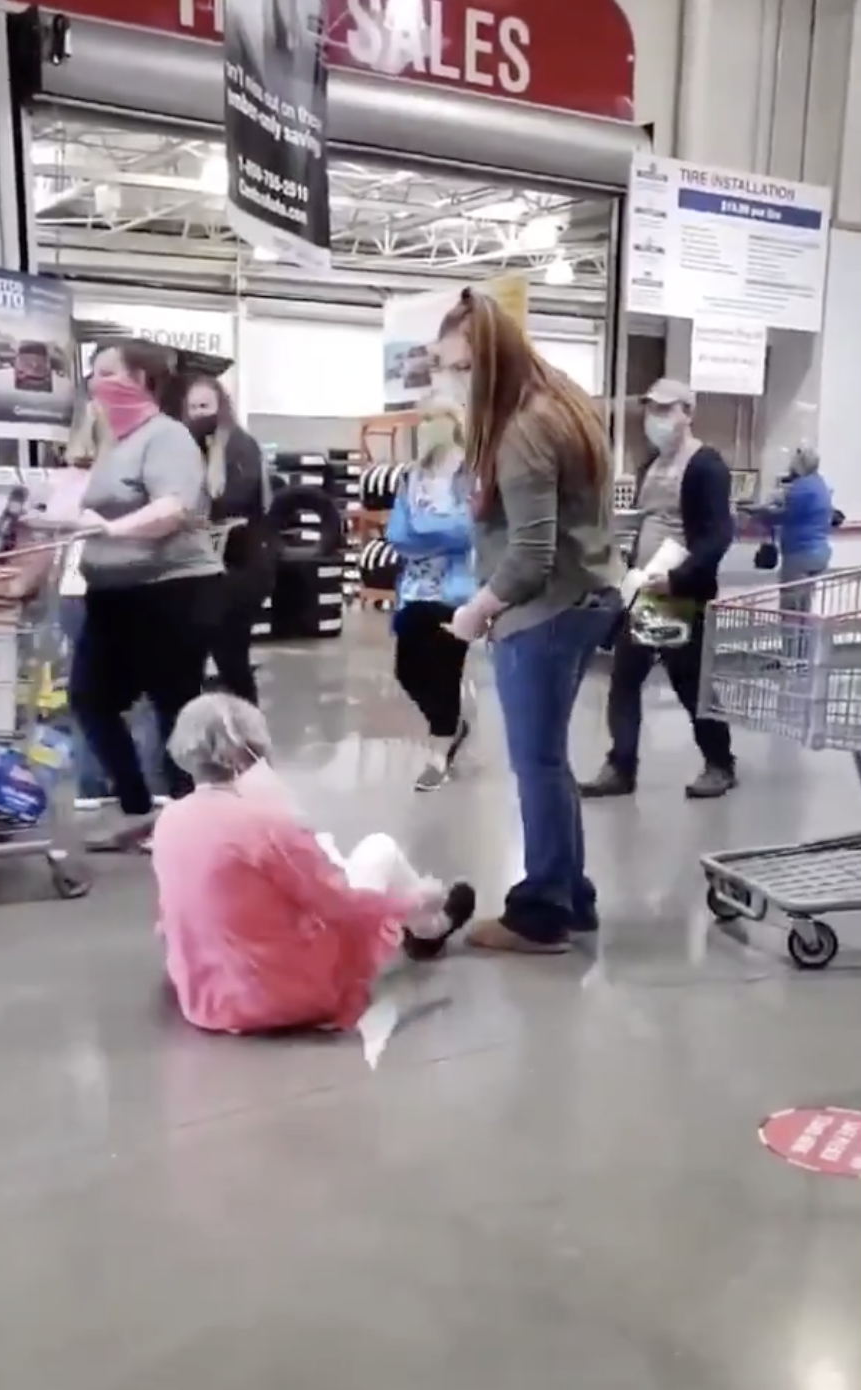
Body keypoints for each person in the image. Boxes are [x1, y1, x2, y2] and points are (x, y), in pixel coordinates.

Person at [430, 288, 623, 953]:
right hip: (589, 596)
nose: (449, 380)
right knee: (549, 763)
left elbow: (532, 556)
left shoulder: (521, 429)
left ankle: (540, 913)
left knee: (537, 764)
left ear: (490, 361)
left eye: (459, 367)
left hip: (544, 609)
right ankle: (573, 895)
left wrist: (475, 610)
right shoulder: (559, 397)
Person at [149, 694, 475, 1033]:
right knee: (379, 850)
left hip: (209, 998)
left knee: (314, 855)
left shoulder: (170, 820)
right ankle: (431, 925)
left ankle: (426, 927)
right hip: (280, 994)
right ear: (245, 750)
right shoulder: (267, 824)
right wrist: (414, 899)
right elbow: (338, 903)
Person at [72, 339, 226, 848]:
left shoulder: (168, 437)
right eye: (92, 373)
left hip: (170, 590)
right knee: (91, 699)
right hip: (113, 594)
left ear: (140, 380)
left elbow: (173, 509)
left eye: (107, 372)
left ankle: (187, 820)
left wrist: (113, 531)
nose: (95, 382)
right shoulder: (116, 442)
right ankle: (138, 808)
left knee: (172, 706)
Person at [581, 379, 737, 801]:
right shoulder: (652, 465)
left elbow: (717, 536)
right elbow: (647, 521)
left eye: (667, 410)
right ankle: (621, 766)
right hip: (645, 591)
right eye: (651, 409)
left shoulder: (706, 466)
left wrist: (680, 578)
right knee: (626, 678)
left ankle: (720, 763)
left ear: (688, 412)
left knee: (690, 683)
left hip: (680, 595)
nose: (656, 418)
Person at [50, 403, 165, 803]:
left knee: (88, 696)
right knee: (150, 694)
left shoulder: (69, 482)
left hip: (76, 592)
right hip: (129, 590)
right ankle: (149, 785)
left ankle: (91, 785)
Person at [381, 404, 479, 790]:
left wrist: (423, 532)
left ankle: (438, 755)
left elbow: (468, 531)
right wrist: (430, 534)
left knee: (443, 674)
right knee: (406, 671)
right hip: (413, 592)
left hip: (455, 594)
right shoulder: (412, 476)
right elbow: (398, 534)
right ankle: (454, 726)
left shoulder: (469, 476)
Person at [181, 373, 276, 705]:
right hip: (208, 566)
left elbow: (237, 498)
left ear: (220, 406)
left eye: (205, 406)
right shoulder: (191, 445)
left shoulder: (240, 445)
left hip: (243, 566)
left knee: (230, 655)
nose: (198, 413)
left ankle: (249, 734)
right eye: (192, 407)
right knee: (199, 653)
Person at [751, 444, 836, 594]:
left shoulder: (801, 487)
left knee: (791, 603)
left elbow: (784, 514)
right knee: (805, 602)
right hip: (820, 552)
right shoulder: (819, 484)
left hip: (800, 552)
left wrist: (759, 513)